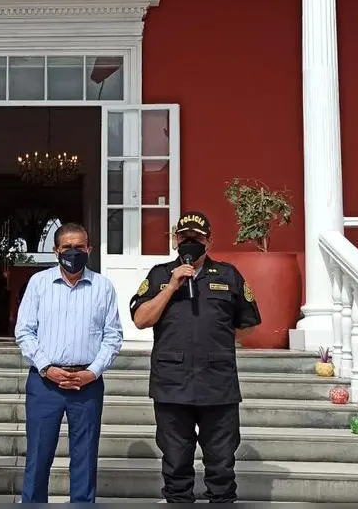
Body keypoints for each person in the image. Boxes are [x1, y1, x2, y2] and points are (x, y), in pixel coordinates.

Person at [130, 211, 262, 503]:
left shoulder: (228, 275)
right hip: (172, 384)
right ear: (175, 239)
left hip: (218, 385)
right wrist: (173, 285)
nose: (190, 241)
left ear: (209, 240)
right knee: (176, 464)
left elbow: (248, 325)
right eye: (184, 236)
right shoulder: (159, 275)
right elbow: (141, 319)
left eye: (197, 237)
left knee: (222, 464)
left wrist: (216, 344)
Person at [14, 222, 123, 503]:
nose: (73, 253)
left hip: (87, 384)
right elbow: (24, 331)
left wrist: (93, 372)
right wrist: (47, 368)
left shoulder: (103, 286)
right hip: (44, 384)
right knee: (38, 455)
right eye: (67, 248)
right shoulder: (39, 284)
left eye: (79, 247)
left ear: (89, 249)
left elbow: (113, 336)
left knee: (85, 457)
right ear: (56, 251)